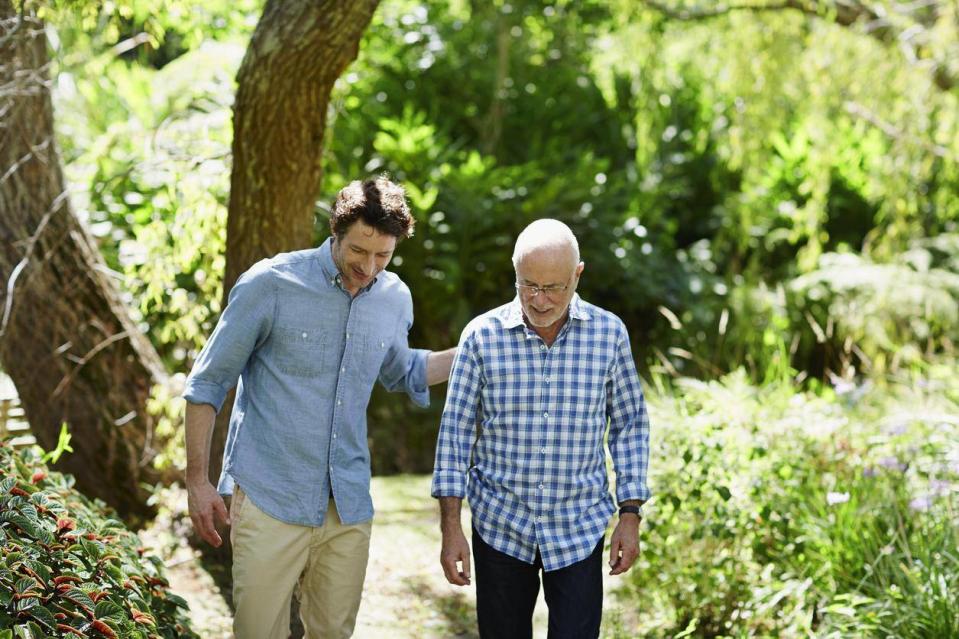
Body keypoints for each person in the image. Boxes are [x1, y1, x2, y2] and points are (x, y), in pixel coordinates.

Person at [183, 176, 455, 639]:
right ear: (335, 233)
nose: (369, 267)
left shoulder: (394, 298)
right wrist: (197, 481)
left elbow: (400, 370)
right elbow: (207, 383)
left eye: (382, 256)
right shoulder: (271, 283)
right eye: (358, 251)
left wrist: (469, 355)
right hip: (271, 494)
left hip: (346, 504)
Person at [431, 218, 650, 639]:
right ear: (514, 274)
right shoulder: (481, 336)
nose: (541, 300)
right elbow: (454, 434)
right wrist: (451, 528)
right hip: (500, 526)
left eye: (554, 287)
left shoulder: (609, 334)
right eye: (529, 285)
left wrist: (630, 513)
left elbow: (630, 426)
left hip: (579, 526)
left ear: (577, 275)